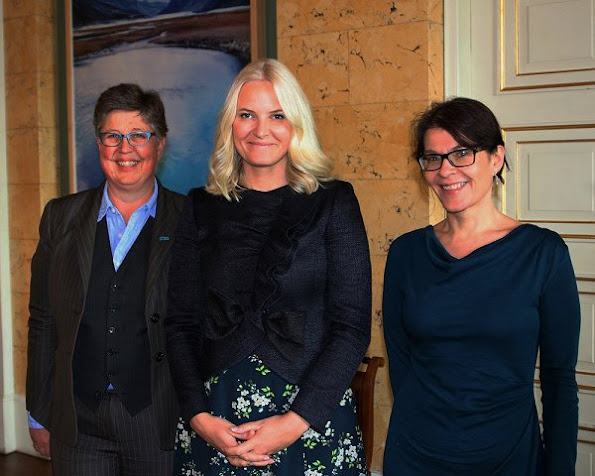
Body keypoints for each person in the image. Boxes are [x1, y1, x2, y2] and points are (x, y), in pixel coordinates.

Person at [165, 58, 372, 475]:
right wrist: (199, 417)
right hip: (216, 421)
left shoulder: (335, 202)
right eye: (247, 115)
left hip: (311, 418)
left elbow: (351, 327)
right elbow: (180, 323)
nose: (261, 129)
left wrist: (295, 422)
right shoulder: (199, 206)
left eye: (277, 115)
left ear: (296, 124)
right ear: (230, 124)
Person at [382, 97, 580, 474]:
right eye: (433, 158)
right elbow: (401, 363)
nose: (445, 170)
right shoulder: (406, 253)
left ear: (496, 158)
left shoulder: (542, 253)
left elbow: (559, 381)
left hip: (508, 457)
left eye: (462, 154)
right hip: (416, 456)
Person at [26, 83, 184, 475]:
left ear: (160, 144)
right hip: (78, 422)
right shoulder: (60, 218)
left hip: (158, 419)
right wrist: (38, 412)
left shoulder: (190, 221)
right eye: (112, 136)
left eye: (138, 135)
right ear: (99, 144)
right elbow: (43, 319)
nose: (124, 149)